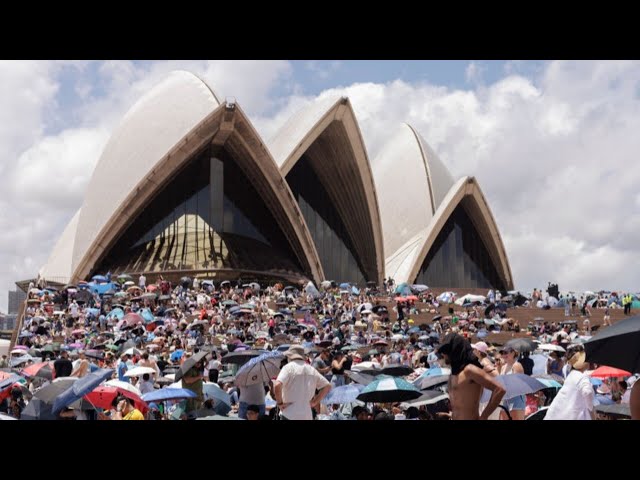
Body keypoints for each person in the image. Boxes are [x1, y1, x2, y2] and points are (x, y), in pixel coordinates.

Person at [436, 333, 505, 420]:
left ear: (454, 350)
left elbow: (499, 389)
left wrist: (484, 416)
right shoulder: (452, 374)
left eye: (446, 351)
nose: (443, 354)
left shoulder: (470, 370)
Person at [273, 345, 331, 420]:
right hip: (306, 414)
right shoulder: (311, 369)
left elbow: (277, 385)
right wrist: (314, 402)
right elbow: (327, 386)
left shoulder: (288, 368)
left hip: (289, 413)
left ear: (290, 357)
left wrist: (280, 403)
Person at [499, 346, 526, 420]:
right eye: (502, 353)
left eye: (506, 352)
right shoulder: (503, 367)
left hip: (516, 398)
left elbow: (519, 384)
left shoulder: (517, 365)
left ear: (513, 353)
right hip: (506, 398)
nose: (503, 355)